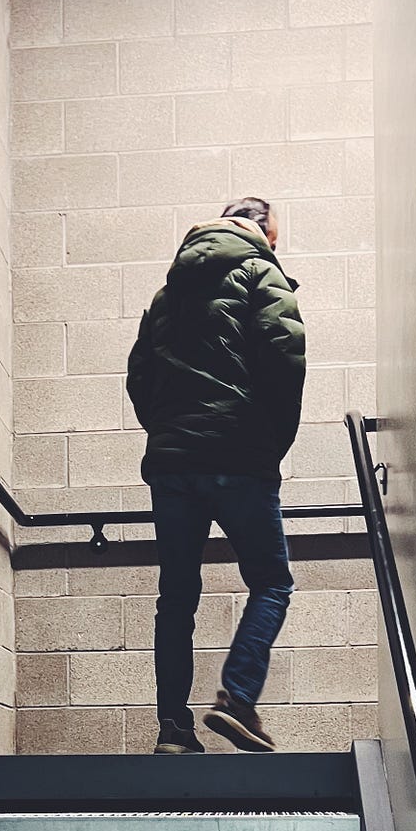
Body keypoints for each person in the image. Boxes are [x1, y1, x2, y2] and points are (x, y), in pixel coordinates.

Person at [127, 196, 306, 754]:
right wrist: (268, 443)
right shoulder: (261, 274)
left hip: (174, 465)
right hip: (240, 458)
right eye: (276, 238)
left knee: (176, 596)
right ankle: (237, 698)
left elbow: (138, 378)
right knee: (272, 582)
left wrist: (170, 434)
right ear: (263, 233)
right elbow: (286, 362)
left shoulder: (166, 294)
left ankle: (173, 729)